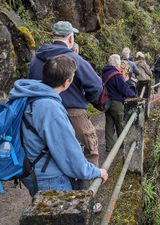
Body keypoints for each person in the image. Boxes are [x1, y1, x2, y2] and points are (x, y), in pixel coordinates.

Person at [11, 55, 108, 197]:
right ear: (67, 82)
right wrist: (96, 172)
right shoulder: (49, 108)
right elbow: (69, 154)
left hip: (34, 170)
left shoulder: (31, 94)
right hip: (50, 178)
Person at [28, 21, 102, 190]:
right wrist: (88, 98)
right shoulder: (74, 59)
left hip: (40, 113)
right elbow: (96, 86)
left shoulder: (36, 59)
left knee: (50, 155)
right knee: (89, 152)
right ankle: (85, 198)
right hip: (73, 113)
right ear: (70, 38)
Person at [101, 54, 137, 152]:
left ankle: (109, 147)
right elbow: (124, 89)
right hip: (116, 103)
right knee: (120, 124)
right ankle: (122, 145)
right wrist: (135, 97)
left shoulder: (104, 73)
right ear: (117, 63)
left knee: (109, 125)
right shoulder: (116, 75)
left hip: (106, 102)